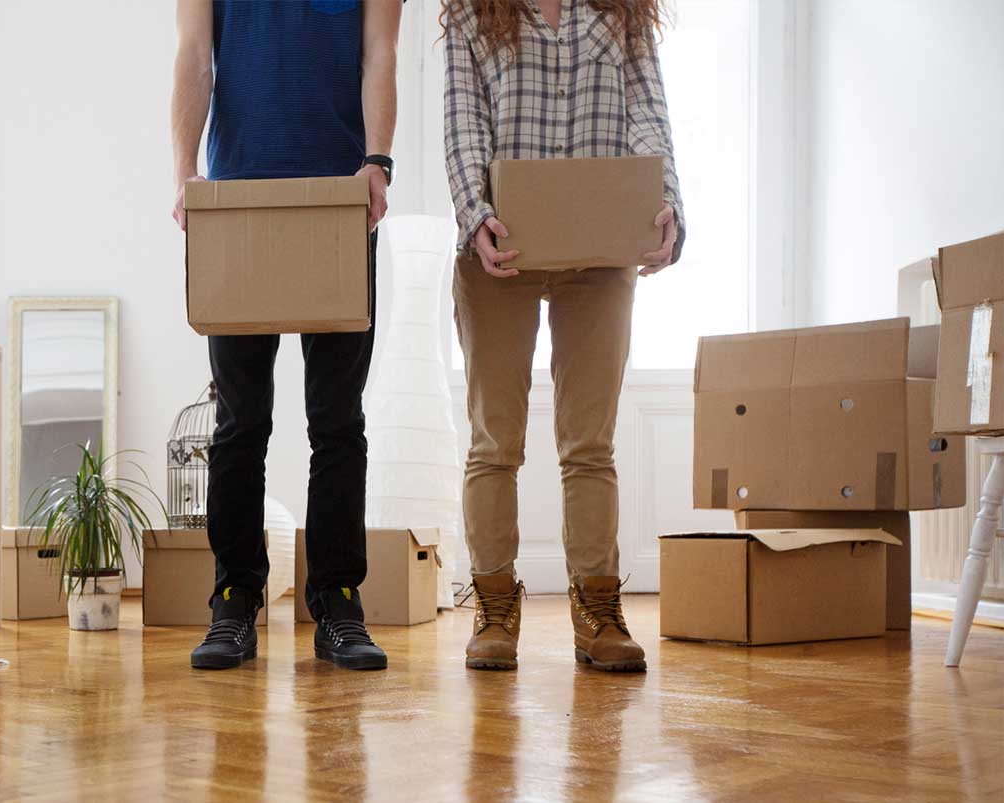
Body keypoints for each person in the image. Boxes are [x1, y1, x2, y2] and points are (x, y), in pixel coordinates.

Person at [443, 0, 684, 672]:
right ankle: (493, 606)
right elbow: (463, 124)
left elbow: (649, 112)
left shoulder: (620, 12)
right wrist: (476, 214)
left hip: (600, 253)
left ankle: (598, 609)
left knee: (590, 442)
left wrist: (666, 208)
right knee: (496, 439)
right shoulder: (471, 12)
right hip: (501, 251)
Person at [171, 0, 402, 671]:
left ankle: (338, 600)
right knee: (239, 420)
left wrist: (378, 161)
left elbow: (379, 50)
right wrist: (186, 169)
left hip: (340, 201)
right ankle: (235, 596)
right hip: (239, 202)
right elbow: (194, 52)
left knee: (337, 419)